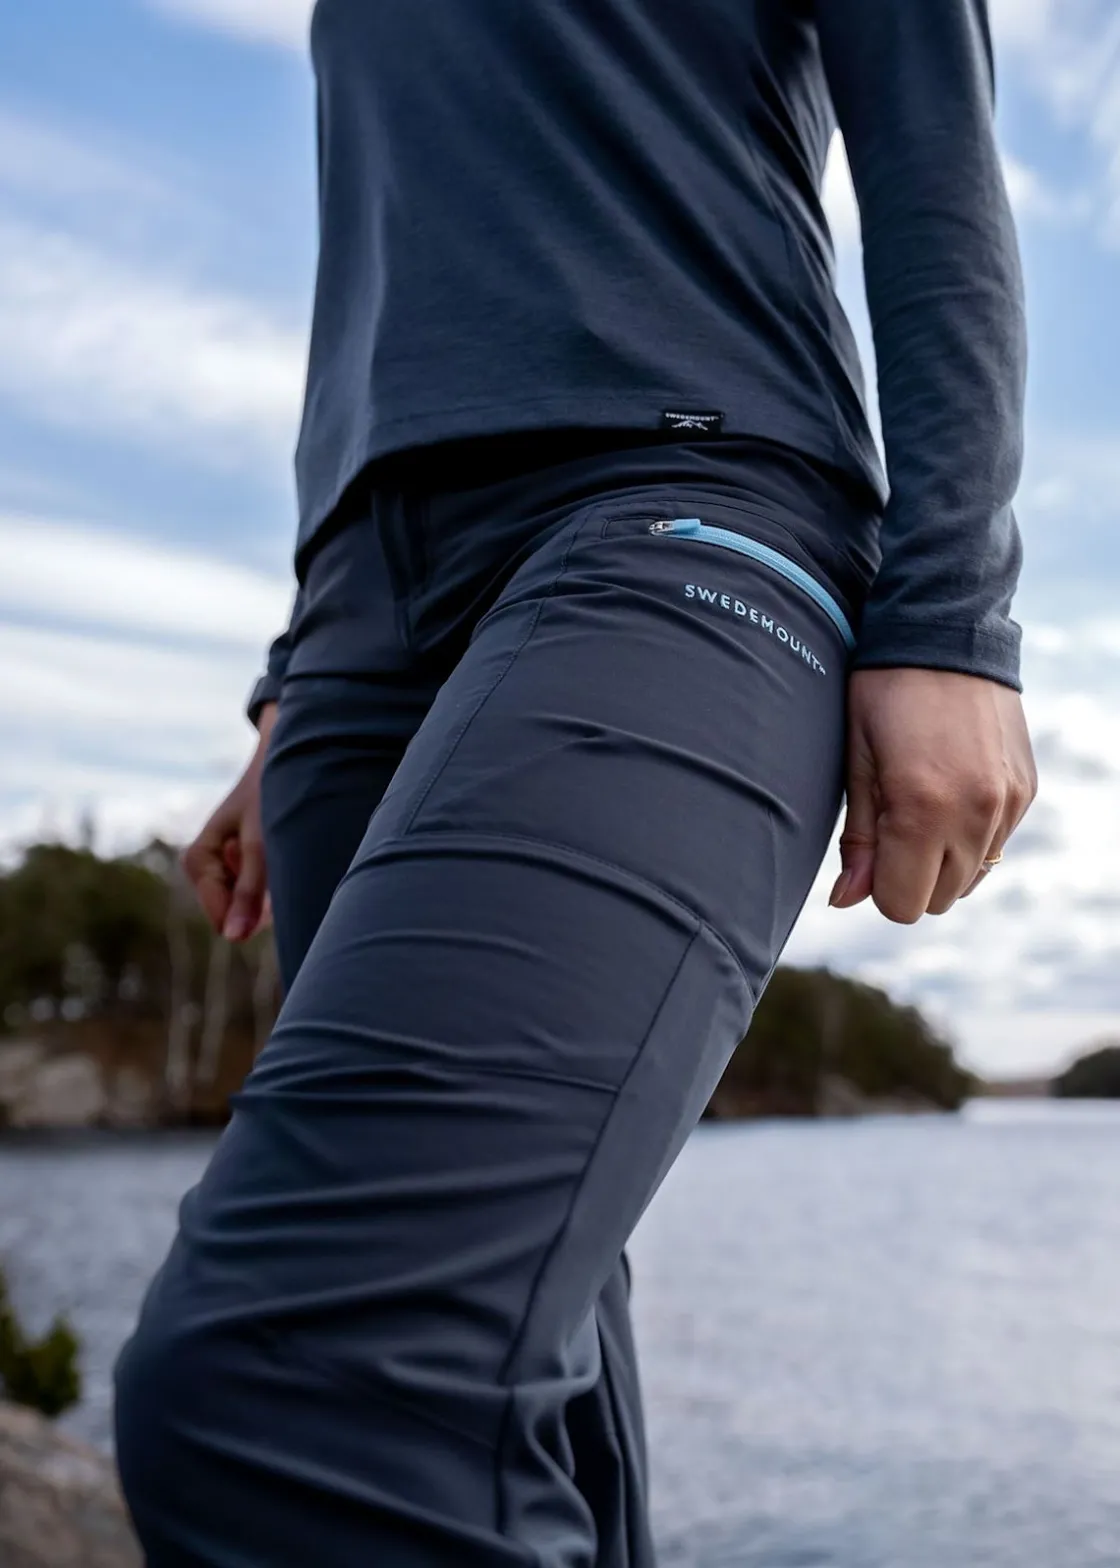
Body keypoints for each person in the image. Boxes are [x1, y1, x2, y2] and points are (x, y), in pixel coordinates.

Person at [114, 0, 1037, 1562]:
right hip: (362, 621)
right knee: (509, 1358)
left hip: (680, 503)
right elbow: (388, 266)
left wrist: (952, 615)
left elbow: (935, 166)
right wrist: (294, 676)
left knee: (297, 1382)